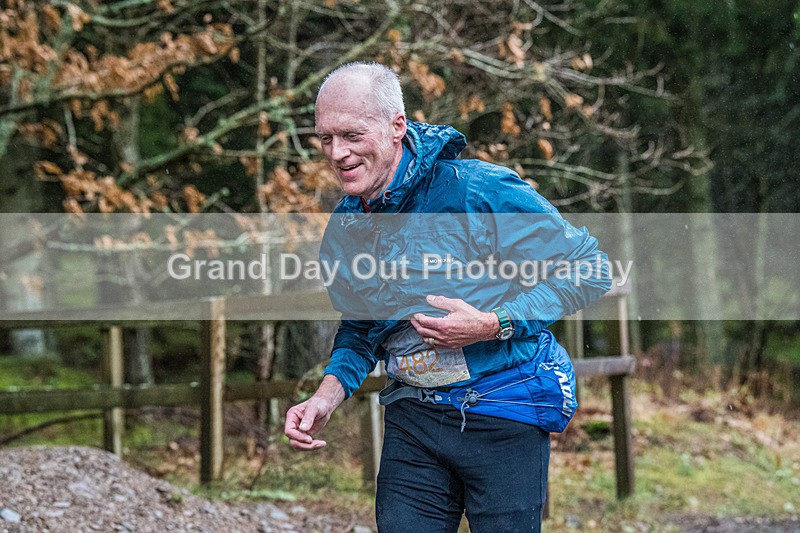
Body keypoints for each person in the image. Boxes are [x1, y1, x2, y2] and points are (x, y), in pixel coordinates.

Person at [284, 62, 611, 532]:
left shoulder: (477, 190)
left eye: (352, 135)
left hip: (505, 408)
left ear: (397, 126)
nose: (337, 153)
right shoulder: (347, 226)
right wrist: (324, 398)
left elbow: (589, 269)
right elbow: (360, 329)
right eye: (325, 138)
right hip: (413, 417)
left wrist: (494, 322)